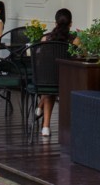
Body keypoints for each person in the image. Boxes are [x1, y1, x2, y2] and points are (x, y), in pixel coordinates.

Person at [36, 8, 76, 137]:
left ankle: (45, 127)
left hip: (46, 79)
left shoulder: (45, 38)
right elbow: (79, 57)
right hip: (67, 80)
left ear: (55, 23)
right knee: (54, 83)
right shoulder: (74, 40)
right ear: (71, 23)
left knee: (49, 88)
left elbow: (41, 60)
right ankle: (41, 109)